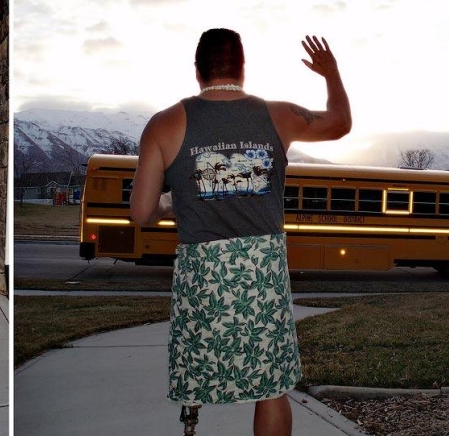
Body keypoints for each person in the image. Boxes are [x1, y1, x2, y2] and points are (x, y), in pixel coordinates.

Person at [130, 28, 351, 436]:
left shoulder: (163, 124)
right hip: (263, 276)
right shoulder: (279, 116)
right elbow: (340, 123)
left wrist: (170, 203)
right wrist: (331, 73)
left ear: (198, 70)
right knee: (271, 390)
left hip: (204, 279)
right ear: (242, 68)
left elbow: (142, 212)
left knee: (199, 378)